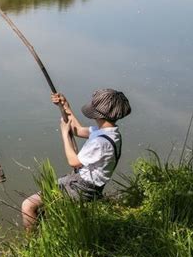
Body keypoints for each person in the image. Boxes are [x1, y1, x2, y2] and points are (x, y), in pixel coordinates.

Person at [21, 89, 131, 230]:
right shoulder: (110, 133)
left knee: (28, 205)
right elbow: (77, 130)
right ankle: (44, 229)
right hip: (85, 183)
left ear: (99, 114)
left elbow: (73, 161)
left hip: (82, 188)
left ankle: (32, 244)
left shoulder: (100, 142)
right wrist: (65, 106)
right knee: (43, 206)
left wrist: (64, 135)